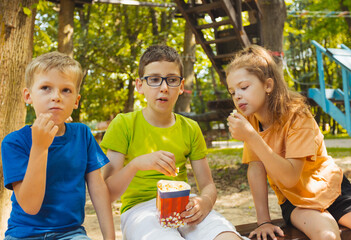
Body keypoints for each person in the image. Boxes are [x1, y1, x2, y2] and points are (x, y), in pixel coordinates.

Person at [100, 45, 246, 240]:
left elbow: (208, 185)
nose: (164, 87)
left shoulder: (190, 128)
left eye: (172, 80)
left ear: (181, 86)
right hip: (140, 212)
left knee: (228, 237)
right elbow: (106, 194)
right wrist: (136, 164)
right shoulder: (123, 124)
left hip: (184, 207)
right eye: (153, 79)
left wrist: (204, 202)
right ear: (139, 85)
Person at [226, 45, 351, 240]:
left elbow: (291, 175)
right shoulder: (249, 120)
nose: (237, 95)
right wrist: (263, 221)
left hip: (333, 189)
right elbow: (256, 168)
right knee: (327, 235)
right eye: (232, 91)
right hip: (296, 200)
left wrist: (251, 137)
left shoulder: (297, 115)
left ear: (268, 85)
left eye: (244, 87)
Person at [1, 52, 115, 240]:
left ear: (76, 101)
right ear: (28, 96)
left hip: (71, 233)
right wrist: (39, 146)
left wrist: (110, 238)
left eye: (66, 90)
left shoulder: (82, 134)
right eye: (46, 87)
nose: (56, 97)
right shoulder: (14, 142)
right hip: (23, 235)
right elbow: (30, 206)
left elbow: (98, 189)